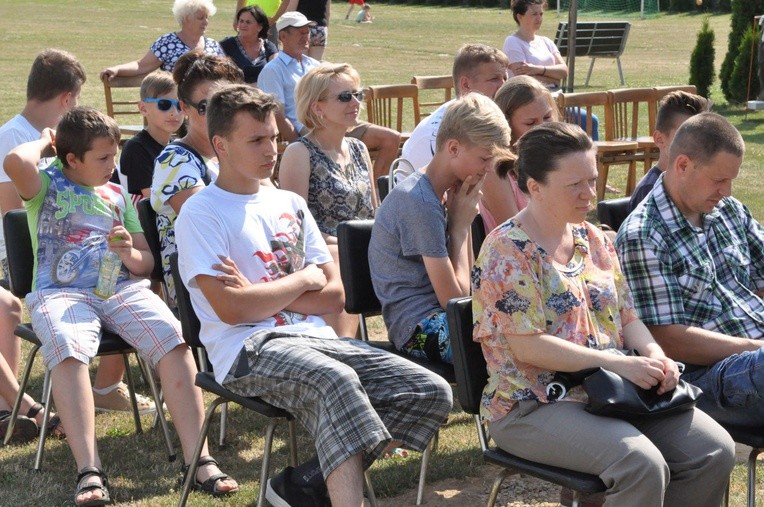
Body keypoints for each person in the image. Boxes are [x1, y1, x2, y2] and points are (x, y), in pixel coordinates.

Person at [174, 83, 452, 506]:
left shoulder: (289, 203)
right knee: (336, 383)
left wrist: (262, 293)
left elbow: (334, 296)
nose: (271, 150)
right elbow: (231, 310)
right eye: (256, 140)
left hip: (315, 340)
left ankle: (303, 482)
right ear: (220, 145)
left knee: (428, 389)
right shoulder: (202, 211)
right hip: (246, 349)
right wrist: (303, 280)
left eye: (274, 138)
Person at [473, 121, 735, 506]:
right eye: (575, 185)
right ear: (535, 188)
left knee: (713, 450)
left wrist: (655, 356)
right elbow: (528, 348)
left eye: (593, 180)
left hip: (610, 392)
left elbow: (627, 317)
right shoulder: (507, 251)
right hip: (531, 404)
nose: (589, 193)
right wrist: (617, 364)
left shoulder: (593, 238)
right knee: (640, 466)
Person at [3, 107, 238, 507]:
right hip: (61, 293)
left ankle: (199, 460)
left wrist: (130, 252)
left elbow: (147, 263)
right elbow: (14, 161)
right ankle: (89, 469)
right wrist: (48, 139)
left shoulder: (115, 195)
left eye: (114, 155)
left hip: (120, 289)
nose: (113, 167)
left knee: (173, 338)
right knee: (67, 344)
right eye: (103, 158)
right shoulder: (44, 185)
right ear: (71, 158)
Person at [0, 49, 154, 416]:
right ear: (67, 98)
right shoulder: (16, 138)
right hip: (23, 255)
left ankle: (103, 385)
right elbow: (13, 213)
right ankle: (14, 405)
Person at [616, 112, 764, 429]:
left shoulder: (728, 209)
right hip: (704, 376)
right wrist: (758, 348)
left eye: (731, 180)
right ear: (682, 165)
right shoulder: (644, 235)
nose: (727, 190)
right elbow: (667, 340)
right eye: (719, 180)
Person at [369, 94, 513, 364]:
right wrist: (460, 227)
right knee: (514, 338)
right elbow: (455, 300)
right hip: (417, 331)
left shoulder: (444, 193)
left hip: (445, 319)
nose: (488, 169)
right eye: (484, 158)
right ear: (454, 148)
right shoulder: (419, 200)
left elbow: (467, 289)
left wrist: (463, 219)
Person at [279, 63, 376, 338]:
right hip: (320, 254)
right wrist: (344, 244)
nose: (355, 102)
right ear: (317, 107)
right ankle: (346, 347)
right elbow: (296, 228)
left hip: (360, 249)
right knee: (339, 257)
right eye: (345, 97)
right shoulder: (300, 152)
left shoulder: (358, 149)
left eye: (358, 94)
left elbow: (374, 212)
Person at [258, 11, 400, 180]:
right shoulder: (272, 70)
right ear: (282, 36)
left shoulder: (314, 65)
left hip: (336, 118)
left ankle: (376, 192)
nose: (306, 37)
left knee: (391, 138)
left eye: (307, 32)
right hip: (310, 127)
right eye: (300, 32)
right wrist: (299, 142)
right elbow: (277, 114)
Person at [151, 51, 244, 308]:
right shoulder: (175, 161)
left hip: (247, 267)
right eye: (207, 106)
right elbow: (208, 222)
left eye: (229, 104)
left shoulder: (240, 152)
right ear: (184, 108)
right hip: (206, 284)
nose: (221, 114)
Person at [400, 43, 509, 176]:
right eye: (494, 79)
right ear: (466, 84)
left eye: (505, 78)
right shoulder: (439, 133)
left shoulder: (481, 120)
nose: (504, 86)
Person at [503, 0, 599, 140]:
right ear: (519, 16)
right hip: (533, 104)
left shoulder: (546, 42)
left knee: (592, 120)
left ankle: (591, 161)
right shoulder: (513, 42)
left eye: (541, 14)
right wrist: (553, 77)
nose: (539, 18)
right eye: (534, 14)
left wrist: (536, 69)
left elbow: (563, 72)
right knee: (585, 121)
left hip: (558, 101)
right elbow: (523, 79)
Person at [482, 75, 558, 231]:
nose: (543, 128)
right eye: (530, 123)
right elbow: (516, 232)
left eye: (547, 117)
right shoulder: (496, 167)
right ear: (507, 125)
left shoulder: (554, 158)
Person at [627, 90, 710, 212]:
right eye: (684, 135)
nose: (696, 144)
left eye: (701, 136)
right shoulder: (651, 191)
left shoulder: (700, 186)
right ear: (660, 140)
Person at [100, 0, 224, 80]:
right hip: (175, 104)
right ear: (186, 19)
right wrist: (117, 69)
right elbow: (141, 65)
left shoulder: (213, 45)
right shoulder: (167, 42)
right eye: (201, 18)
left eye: (207, 17)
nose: (206, 22)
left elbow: (225, 73)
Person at [114, 70, 184, 204]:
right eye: (164, 104)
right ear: (143, 108)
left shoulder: (178, 147)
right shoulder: (136, 148)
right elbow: (154, 201)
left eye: (180, 105)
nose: (174, 112)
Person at [220, 5, 278, 85]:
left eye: (248, 22)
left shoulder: (269, 47)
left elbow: (276, 73)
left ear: (259, 27)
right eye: (241, 21)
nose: (243, 25)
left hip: (263, 94)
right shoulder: (227, 45)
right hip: (235, 94)